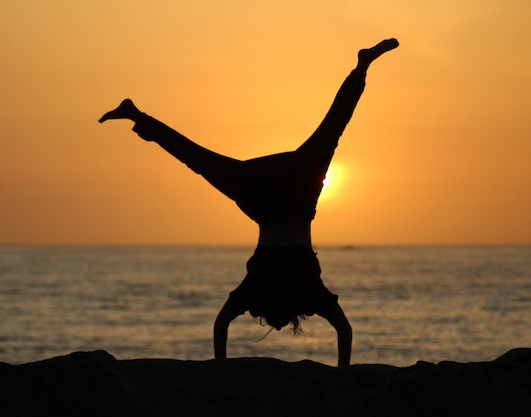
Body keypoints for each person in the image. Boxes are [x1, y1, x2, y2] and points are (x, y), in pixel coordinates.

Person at [99, 38, 399, 366]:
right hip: (295, 190)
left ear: (264, 306)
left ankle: (136, 115)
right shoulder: (309, 292)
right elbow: (343, 329)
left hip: (265, 196)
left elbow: (221, 323)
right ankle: (362, 67)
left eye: (272, 315)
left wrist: (221, 368)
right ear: (293, 310)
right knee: (331, 130)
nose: (277, 311)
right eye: (283, 317)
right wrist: (343, 375)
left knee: (200, 160)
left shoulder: (258, 288)